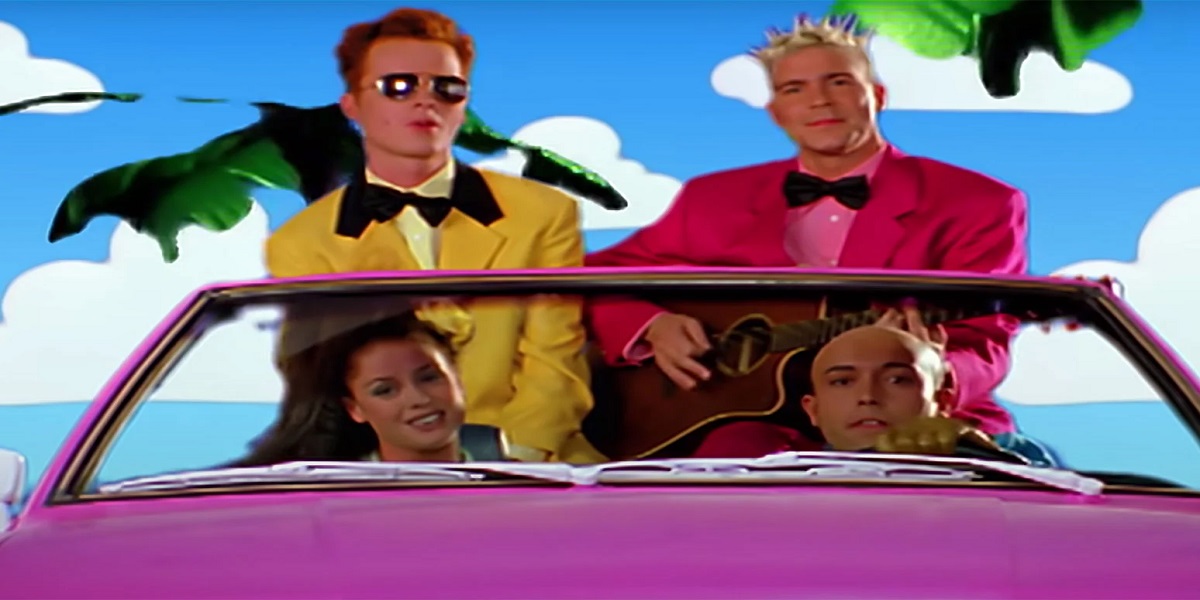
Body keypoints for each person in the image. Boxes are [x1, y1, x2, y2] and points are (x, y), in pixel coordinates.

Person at [585, 14, 1048, 463]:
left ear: (877, 95)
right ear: (776, 112)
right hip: (743, 425)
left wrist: (932, 367)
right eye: (795, 89)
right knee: (720, 483)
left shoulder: (979, 201)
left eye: (838, 82)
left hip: (915, 418)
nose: (819, 101)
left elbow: (986, 339)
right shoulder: (711, 198)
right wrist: (652, 326)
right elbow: (593, 277)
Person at [264, 7, 605, 464]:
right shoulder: (301, 243)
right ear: (352, 106)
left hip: (539, 459)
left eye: (447, 87)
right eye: (398, 86)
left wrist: (510, 460)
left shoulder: (544, 212)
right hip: (387, 468)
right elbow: (325, 382)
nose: (426, 100)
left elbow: (556, 361)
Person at [235, 312, 503, 466]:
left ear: (457, 377)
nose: (419, 398)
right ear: (354, 408)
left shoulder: (521, 484)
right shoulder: (331, 496)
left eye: (429, 378)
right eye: (385, 390)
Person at [801, 320, 1034, 464]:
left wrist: (973, 451)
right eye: (842, 382)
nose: (868, 397)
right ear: (812, 409)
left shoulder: (1010, 451)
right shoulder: (786, 479)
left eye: (897, 380)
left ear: (942, 401)